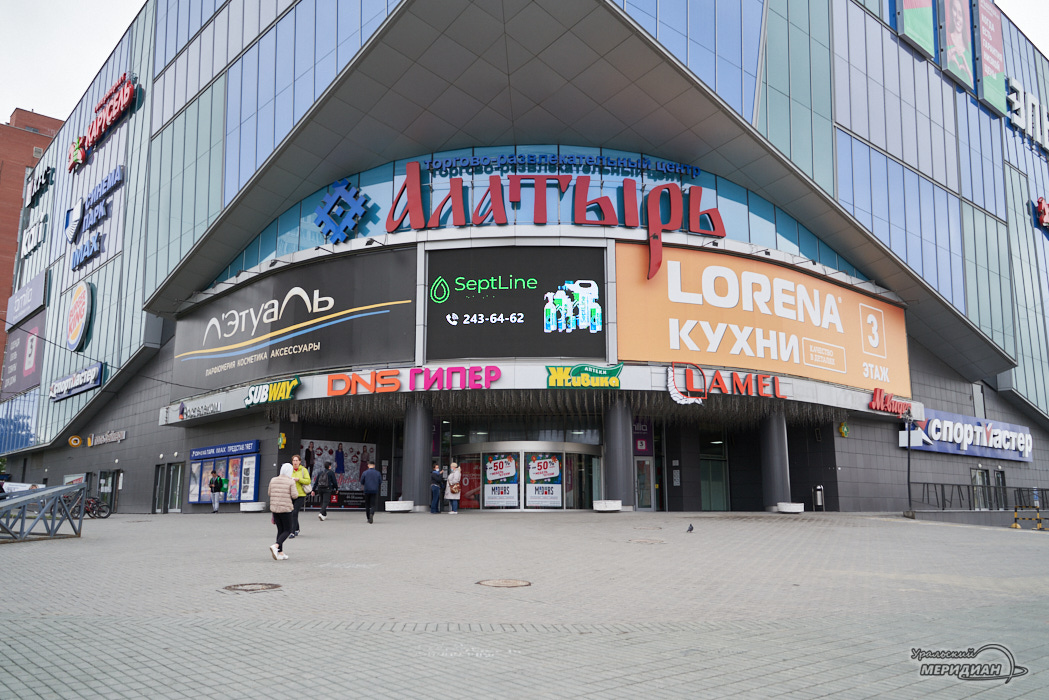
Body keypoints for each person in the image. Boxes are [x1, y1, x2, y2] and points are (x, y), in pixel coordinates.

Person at [268, 463, 297, 560]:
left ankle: (280, 553)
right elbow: (294, 495)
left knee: (280, 530)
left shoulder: (273, 480)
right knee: (288, 530)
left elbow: (269, 493)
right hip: (285, 508)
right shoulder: (290, 481)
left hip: (275, 508)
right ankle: (276, 546)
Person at [289, 454, 311, 537]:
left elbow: (308, 481)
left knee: (295, 512)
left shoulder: (303, 470)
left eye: (296, 460)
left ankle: (292, 532)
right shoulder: (290, 470)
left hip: (300, 494)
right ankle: (297, 528)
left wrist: (299, 479)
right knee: (291, 512)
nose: (295, 462)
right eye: (294, 460)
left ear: (299, 462)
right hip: (291, 494)